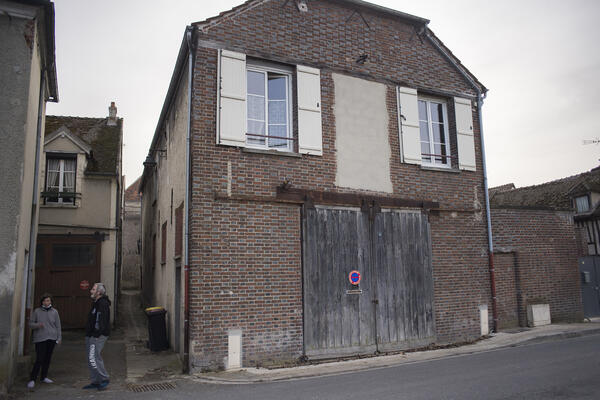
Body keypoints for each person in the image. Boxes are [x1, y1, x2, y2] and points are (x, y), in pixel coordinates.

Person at [27, 294, 62, 389]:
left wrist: (59, 338)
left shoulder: (55, 312)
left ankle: (44, 377)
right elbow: (30, 324)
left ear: (51, 302)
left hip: (51, 338)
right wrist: (38, 325)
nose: (47, 302)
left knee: (47, 358)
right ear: (42, 302)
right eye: (45, 301)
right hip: (40, 338)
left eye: (48, 301)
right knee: (39, 359)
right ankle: (32, 379)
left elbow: (58, 326)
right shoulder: (37, 311)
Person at [83, 282, 111, 391]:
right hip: (91, 334)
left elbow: (100, 321)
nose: (91, 291)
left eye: (93, 289)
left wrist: (96, 334)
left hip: (98, 335)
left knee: (94, 356)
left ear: (98, 292)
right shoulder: (96, 302)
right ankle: (95, 381)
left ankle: (104, 379)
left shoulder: (102, 304)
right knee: (91, 358)